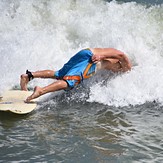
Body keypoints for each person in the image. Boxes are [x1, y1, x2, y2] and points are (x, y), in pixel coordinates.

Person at [20, 48, 132, 102]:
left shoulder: (114, 60)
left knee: (60, 74)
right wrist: (101, 57)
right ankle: (41, 90)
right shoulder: (122, 64)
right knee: (69, 82)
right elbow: (121, 54)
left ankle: (29, 76)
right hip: (91, 60)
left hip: (85, 53)